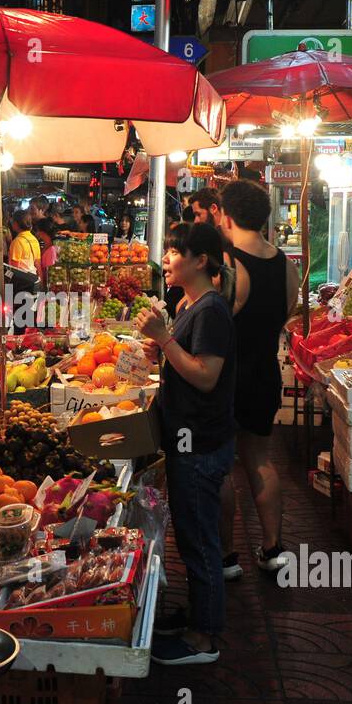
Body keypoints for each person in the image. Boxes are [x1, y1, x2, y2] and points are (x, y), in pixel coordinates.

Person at [135, 222, 237, 665]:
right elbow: (182, 360)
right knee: (191, 534)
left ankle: (204, 638)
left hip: (201, 443)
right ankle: (198, 614)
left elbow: (205, 374)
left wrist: (163, 338)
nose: (168, 258)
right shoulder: (188, 302)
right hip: (186, 437)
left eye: (176, 251)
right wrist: (160, 349)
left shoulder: (212, 310)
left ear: (200, 260)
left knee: (199, 541)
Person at [217, 180, 301, 577]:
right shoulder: (287, 265)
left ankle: (227, 556)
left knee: (219, 465)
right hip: (266, 373)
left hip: (227, 377)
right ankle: (272, 548)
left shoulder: (228, 263)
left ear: (226, 216)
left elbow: (215, 322)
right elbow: (285, 315)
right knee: (260, 460)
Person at [7, 208, 41, 275]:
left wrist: (8, 285)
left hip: (21, 282)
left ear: (16, 224)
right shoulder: (34, 239)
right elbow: (37, 264)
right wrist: (40, 282)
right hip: (33, 279)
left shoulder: (17, 242)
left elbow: (13, 269)